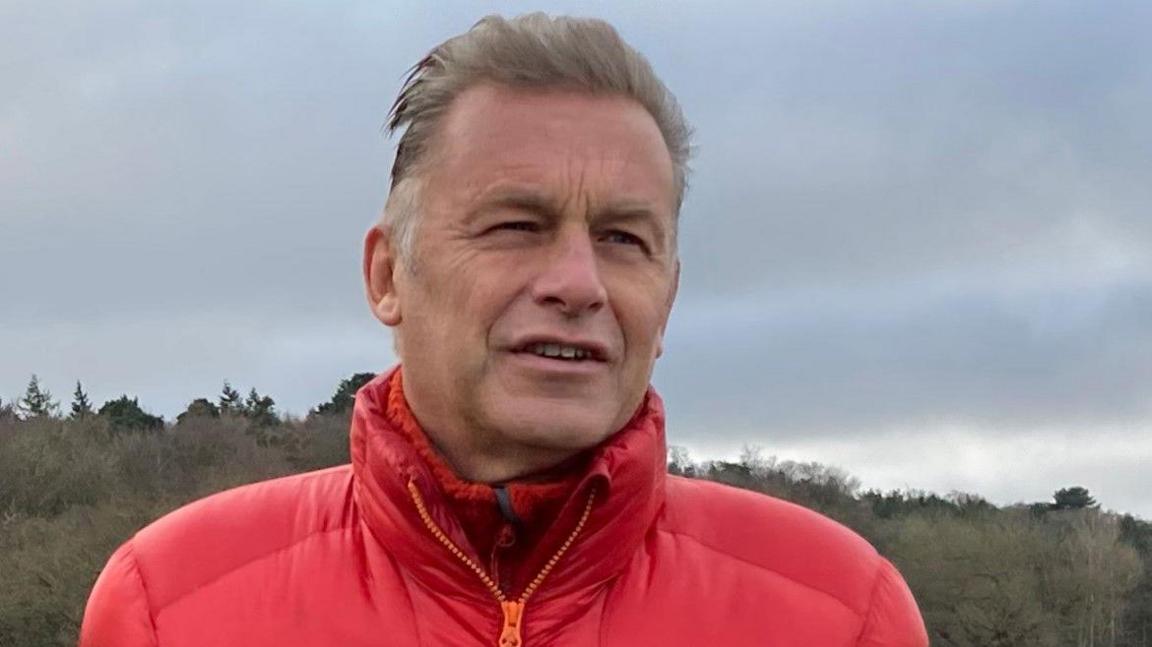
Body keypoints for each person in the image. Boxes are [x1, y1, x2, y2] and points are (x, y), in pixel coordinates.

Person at [79, 13, 928, 647]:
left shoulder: (843, 611)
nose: (577, 283)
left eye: (623, 239)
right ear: (386, 276)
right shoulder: (171, 606)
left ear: (666, 300)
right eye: (516, 225)